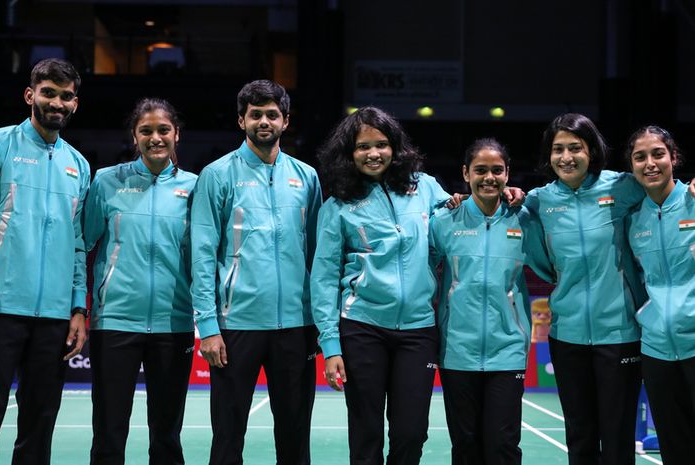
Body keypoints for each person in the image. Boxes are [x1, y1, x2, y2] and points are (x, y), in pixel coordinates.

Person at [310, 106, 455, 465]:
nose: (373, 153)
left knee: (411, 432)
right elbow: (324, 276)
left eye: (381, 144)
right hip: (362, 327)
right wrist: (330, 346)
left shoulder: (425, 187)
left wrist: (506, 196)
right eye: (362, 147)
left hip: (418, 329)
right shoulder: (338, 205)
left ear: (395, 147)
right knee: (366, 433)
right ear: (349, 153)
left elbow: (457, 222)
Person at [191, 80, 322, 465]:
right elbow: (201, 255)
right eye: (255, 115)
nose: (264, 121)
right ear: (241, 120)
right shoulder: (216, 175)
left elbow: (318, 255)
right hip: (236, 325)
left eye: (271, 114)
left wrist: (320, 320)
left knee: (296, 436)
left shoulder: (307, 177)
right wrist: (209, 327)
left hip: (297, 326)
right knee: (228, 436)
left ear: (285, 121)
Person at [523, 113, 648, 465]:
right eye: (558, 149)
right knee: (580, 436)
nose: (566, 157)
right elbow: (537, 256)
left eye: (575, 148)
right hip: (568, 337)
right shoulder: (539, 201)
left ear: (591, 150)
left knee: (618, 436)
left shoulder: (621, 187)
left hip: (621, 332)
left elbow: (663, 194)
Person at [83, 98, 197, 465]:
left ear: (176, 134)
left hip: (173, 323)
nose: (155, 137)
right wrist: (78, 306)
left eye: (163, 129)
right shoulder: (106, 181)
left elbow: (203, 256)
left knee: (166, 435)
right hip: (115, 321)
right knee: (109, 432)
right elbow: (81, 244)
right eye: (146, 130)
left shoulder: (196, 188)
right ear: (135, 135)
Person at [0, 58, 90, 464]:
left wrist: (77, 306)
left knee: (39, 421)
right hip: (0, 306)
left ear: (74, 104)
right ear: (30, 94)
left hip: (53, 315)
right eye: (49, 92)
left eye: (66, 96)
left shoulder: (79, 165)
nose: (57, 102)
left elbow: (78, 243)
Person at [430, 138, 546, 465]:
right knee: (465, 446)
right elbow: (422, 268)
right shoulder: (444, 221)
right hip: (457, 351)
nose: (489, 177)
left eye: (497, 170)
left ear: (508, 173)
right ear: (466, 173)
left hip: (507, 350)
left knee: (503, 445)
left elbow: (549, 266)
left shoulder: (523, 220)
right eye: (480, 170)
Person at [626, 126, 695, 465]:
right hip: (657, 351)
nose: (650, 163)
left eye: (658, 154)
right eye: (640, 157)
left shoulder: (693, 202)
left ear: (674, 158)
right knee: (674, 445)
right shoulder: (633, 221)